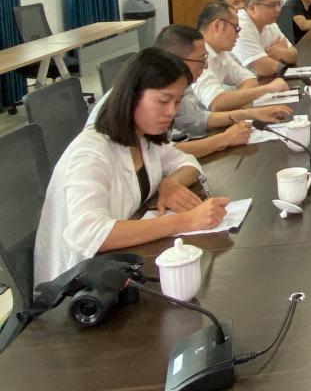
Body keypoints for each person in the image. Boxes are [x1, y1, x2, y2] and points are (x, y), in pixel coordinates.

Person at [34, 48, 231, 285]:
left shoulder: (143, 136)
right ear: (132, 95)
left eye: (177, 101)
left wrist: (171, 183)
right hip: (78, 283)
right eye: (163, 101)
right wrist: (187, 220)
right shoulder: (90, 154)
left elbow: (185, 161)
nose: (172, 111)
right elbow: (90, 233)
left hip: (122, 263)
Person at [86, 26, 292, 158]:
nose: (205, 66)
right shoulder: (149, 90)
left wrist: (251, 114)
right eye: (201, 60)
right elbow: (162, 155)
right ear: (177, 60)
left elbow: (196, 120)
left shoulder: (172, 87)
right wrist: (224, 139)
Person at [193, 1, 292, 111]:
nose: (238, 35)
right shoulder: (195, 56)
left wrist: (233, 101)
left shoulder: (221, 53)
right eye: (236, 28)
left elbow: (250, 79)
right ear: (218, 25)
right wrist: (267, 89)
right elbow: (216, 103)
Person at [234, 0, 298, 76]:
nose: (278, 9)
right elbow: (266, 69)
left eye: (279, 4)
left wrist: (279, 52)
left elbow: (294, 55)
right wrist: (279, 56)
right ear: (252, 8)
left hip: (259, 80)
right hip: (238, 84)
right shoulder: (240, 26)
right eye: (272, 5)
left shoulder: (269, 23)